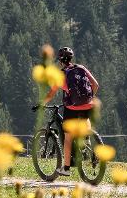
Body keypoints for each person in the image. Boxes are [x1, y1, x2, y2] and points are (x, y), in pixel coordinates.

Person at [38, 46, 99, 177]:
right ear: (71, 58)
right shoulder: (81, 68)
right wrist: (89, 99)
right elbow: (95, 85)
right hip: (88, 105)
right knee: (85, 120)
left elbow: (51, 94)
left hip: (71, 108)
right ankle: (88, 139)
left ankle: (66, 168)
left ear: (60, 60)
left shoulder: (61, 74)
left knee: (68, 138)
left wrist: (41, 104)